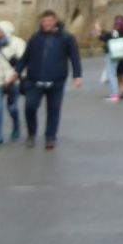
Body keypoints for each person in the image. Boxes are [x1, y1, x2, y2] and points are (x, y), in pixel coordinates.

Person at [14, 11, 83, 150]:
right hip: (34, 80)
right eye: (44, 21)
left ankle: (50, 137)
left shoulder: (66, 38)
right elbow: (25, 57)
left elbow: (74, 57)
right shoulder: (35, 38)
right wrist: (16, 72)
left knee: (53, 109)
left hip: (56, 80)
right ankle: (32, 134)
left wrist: (77, 75)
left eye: (49, 21)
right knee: (30, 107)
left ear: (55, 21)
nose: (46, 24)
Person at [0, 20, 25, 144]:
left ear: (5, 30)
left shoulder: (18, 43)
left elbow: (23, 62)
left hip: (13, 81)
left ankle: (16, 125)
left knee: (12, 108)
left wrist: (15, 77)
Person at [93, 21, 122, 102]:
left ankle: (115, 95)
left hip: (112, 54)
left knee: (111, 74)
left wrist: (98, 30)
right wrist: (100, 30)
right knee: (112, 74)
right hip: (116, 55)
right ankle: (114, 93)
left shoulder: (115, 32)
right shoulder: (118, 33)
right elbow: (106, 35)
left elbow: (104, 37)